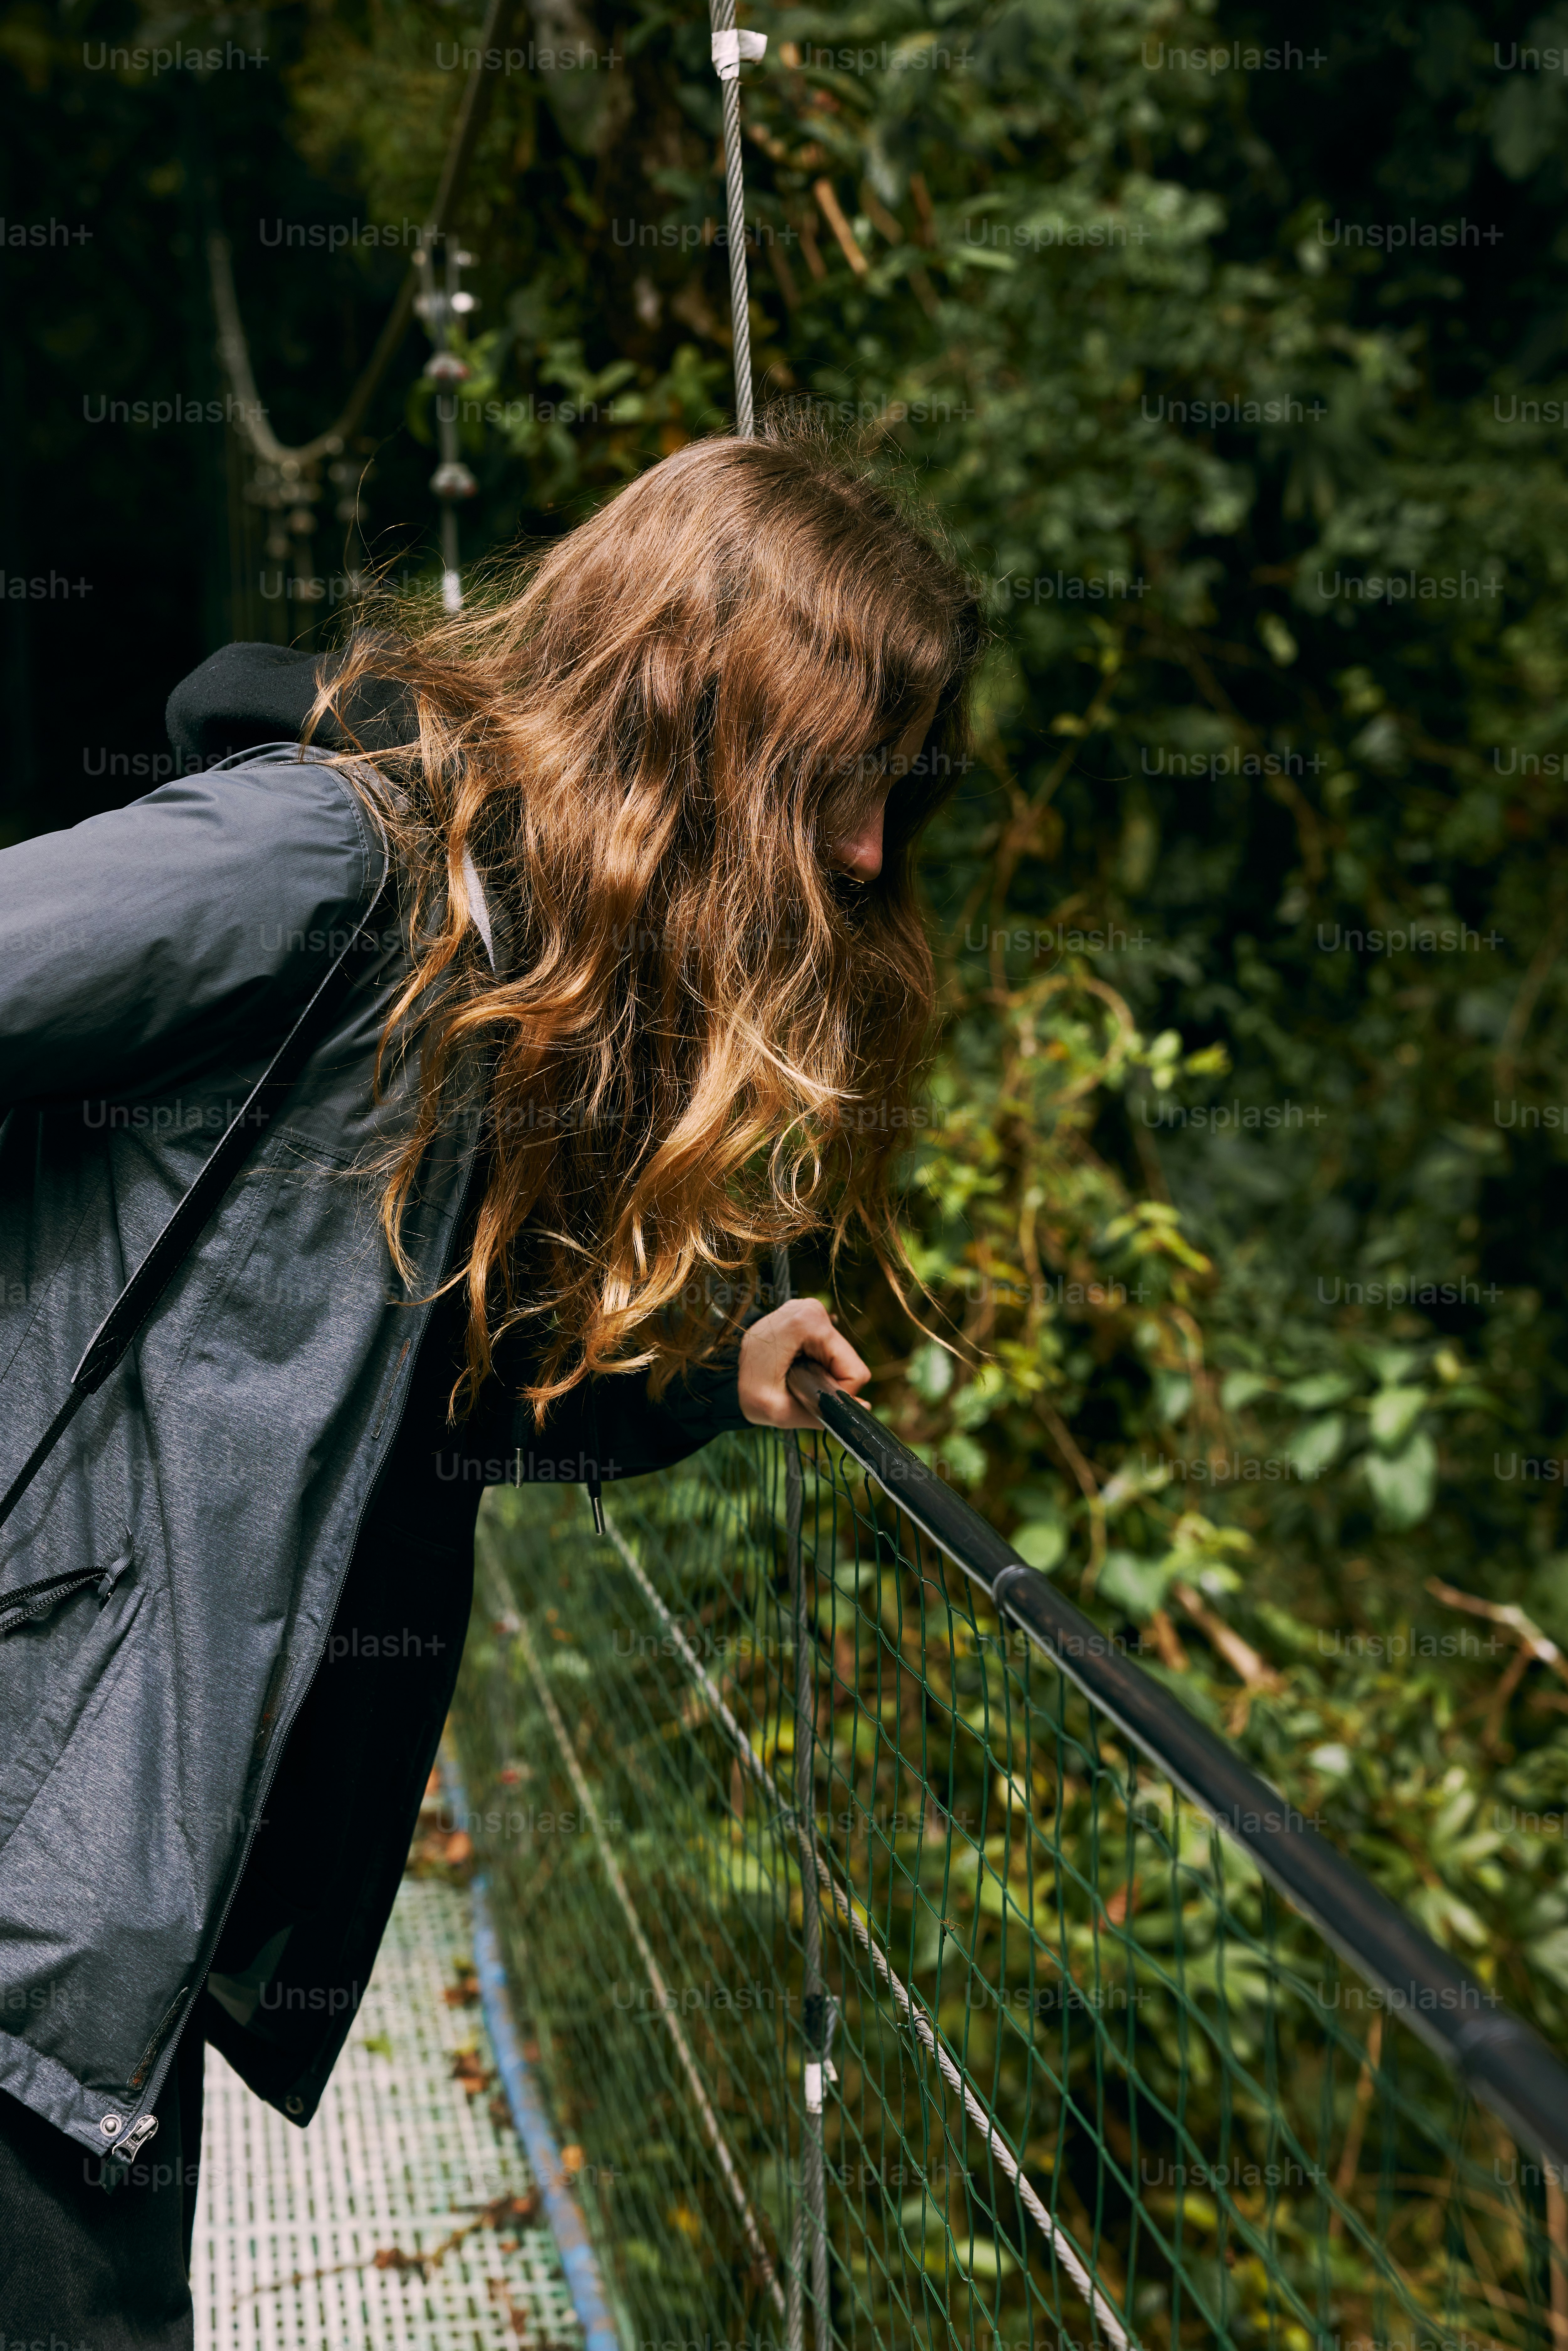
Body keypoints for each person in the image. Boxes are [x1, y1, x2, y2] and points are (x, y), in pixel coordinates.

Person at [0, 419, 983, 2339]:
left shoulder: (479, 971)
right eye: (848, 781)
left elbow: (404, 1397)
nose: (874, 851)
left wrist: (710, 1376)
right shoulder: (315, 866)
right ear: (705, 725)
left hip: (109, 1907)